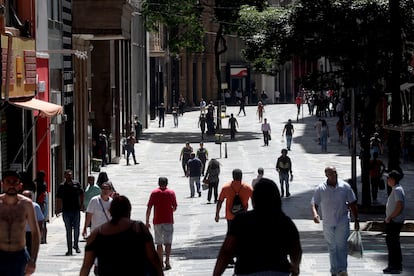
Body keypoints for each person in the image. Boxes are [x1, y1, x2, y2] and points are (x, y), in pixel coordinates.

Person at [213, 178, 302, 276]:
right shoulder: (285, 222)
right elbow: (296, 249)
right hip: (278, 271)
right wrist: (295, 268)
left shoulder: (241, 221)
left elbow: (226, 251)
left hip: (247, 271)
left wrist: (216, 274)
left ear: (254, 199)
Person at [80, 195, 164, 276]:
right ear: (129, 211)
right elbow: (153, 258)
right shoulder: (138, 228)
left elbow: (86, 267)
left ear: (110, 211)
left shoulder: (96, 234)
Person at [311, 166, 359, 276]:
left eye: (335, 173)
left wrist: (356, 219)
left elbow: (352, 203)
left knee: (341, 246)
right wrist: (315, 214)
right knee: (332, 247)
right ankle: (334, 270)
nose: (334, 175)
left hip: (342, 221)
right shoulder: (321, 188)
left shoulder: (345, 187)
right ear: (326, 175)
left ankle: (342, 270)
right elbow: (314, 203)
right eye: (331, 173)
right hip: (328, 222)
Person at [0, 170, 40, 276]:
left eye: (15, 182)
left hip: (19, 256)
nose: (12, 185)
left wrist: (33, 260)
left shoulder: (26, 204)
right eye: (8, 182)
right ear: (2, 184)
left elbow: (35, 233)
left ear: (20, 185)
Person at [146, 177, 178, 271]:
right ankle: (167, 261)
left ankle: (160, 262)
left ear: (158, 183)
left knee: (159, 243)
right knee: (168, 242)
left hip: (157, 220)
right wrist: (169, 211)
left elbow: (149, 207)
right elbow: (175, 207)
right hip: (168, 220)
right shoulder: (171, 193)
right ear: (167, 183)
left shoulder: (154, 193)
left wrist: (147, 221)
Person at [56, 169, 84, 256]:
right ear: (64, 176)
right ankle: (69, 250)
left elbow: (81, 194)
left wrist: (82, 204)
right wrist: (58, 208)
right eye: (67, 175)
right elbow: (59, 198)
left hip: (76, 210)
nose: (69, 176)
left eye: (70, 175)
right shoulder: (62, 186)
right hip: (66, 210)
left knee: (76, 228)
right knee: (68, 230)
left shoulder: (76, 184)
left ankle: (75, 245)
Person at [383, 170, 405, 274]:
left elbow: (399, 205)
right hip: (393, 220)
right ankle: (392, 265)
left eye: (388, 178)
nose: (387, 180)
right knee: (392, 243)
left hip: (394, 221)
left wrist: (390, 217)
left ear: (393, 179)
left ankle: (395, 266)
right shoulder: (396, 189)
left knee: (393, 244)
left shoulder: (397, 190)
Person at [22, 190, 44, 260]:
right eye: (23, 196)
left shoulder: (35, 206)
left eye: (27, 196)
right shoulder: (18, 206)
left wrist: (39, 232)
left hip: (31, 233)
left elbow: (40, 220)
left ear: (30, 197)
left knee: (30, 250)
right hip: (21, 233)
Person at [34, 170, 48, 244]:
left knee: (42, 221)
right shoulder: (43, 183)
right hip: (42, 203)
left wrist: (40, 204)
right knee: (43, 222)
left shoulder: (41, 184)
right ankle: (43, 238)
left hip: (41, 203)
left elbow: (42, 195)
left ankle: (42, 238)